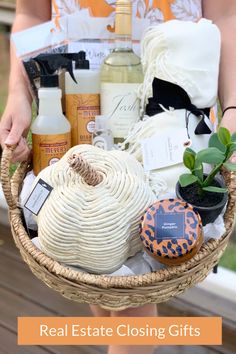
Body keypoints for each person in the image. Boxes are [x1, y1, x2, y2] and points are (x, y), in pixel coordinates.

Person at [0, 1, 235, 354]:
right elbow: (32, 13)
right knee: (97, 275)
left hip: (172, 115)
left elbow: (226, 15)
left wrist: (233, 106)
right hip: (79, 108)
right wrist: (19, 94)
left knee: (131, 295)